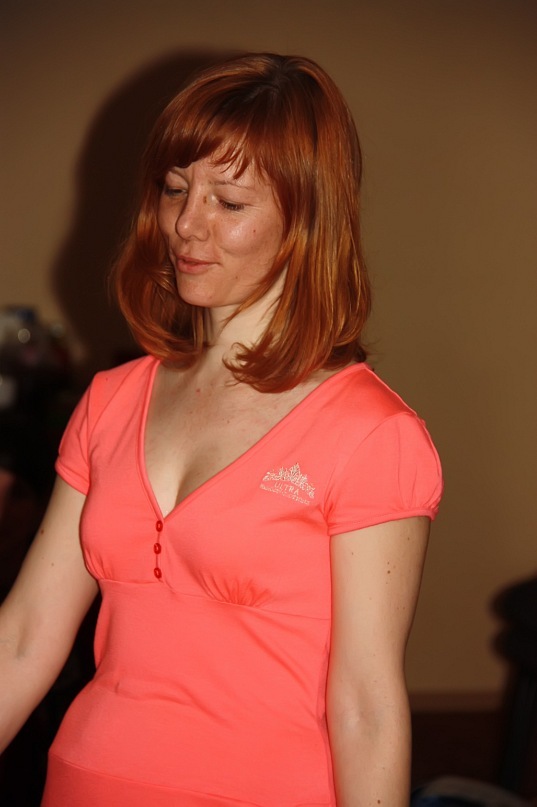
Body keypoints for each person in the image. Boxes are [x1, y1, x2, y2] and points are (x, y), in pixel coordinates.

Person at [0, 52, 443, 806]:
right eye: (175, 189)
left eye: (229, 202)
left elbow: (367, 707)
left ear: (306, 221)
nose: (185, 225)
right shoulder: (111, 400)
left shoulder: (372, 432)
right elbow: (24, 636)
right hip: (82, 781)